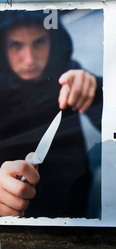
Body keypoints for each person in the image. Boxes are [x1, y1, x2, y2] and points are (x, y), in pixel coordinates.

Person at [0, 10, 102, 218]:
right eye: (16, 45)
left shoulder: (66, 73)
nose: (29, 59)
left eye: (38, 42)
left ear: (53, 41)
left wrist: (95, 89)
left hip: (74, 202)